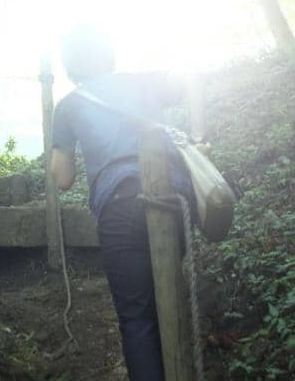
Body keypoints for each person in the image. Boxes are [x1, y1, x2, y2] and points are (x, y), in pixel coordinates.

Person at [49, 24, 188, 381]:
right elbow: (188, 82)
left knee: (137, 318)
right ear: (108, 54)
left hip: (120, 208)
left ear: (70, 65)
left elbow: (62, 179)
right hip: (172, 200)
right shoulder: (146, 82)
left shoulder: (68, 107)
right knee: (169, 298)